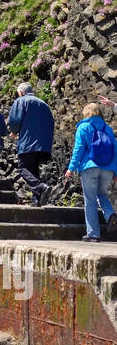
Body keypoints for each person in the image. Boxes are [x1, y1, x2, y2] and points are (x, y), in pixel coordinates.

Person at [65, 101, 117, 241]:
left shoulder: (83, 127)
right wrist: (115, 172)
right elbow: (115, 151)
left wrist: (71, 168)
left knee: (90, 200)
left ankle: (93, 234)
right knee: (102, 194)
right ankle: (111, 215)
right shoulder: (108, 129)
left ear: (86, 113)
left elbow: (79, 149)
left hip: (89, 167)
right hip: (108, 169)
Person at [7, 81, 55, 207]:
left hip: (28, 142)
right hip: (44, 144)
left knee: (23, 168)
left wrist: (14, 131)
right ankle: (36, 200)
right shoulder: (44, 104)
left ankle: (41, 187)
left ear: (21, 93)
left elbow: (14, 120)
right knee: (34, 170)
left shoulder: (22, 101)